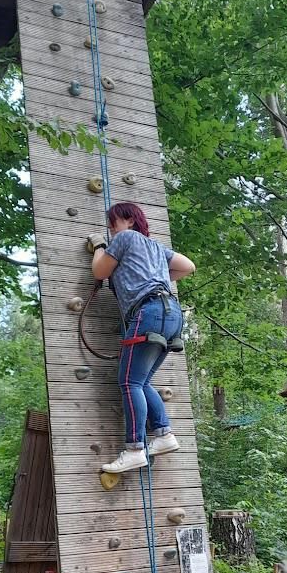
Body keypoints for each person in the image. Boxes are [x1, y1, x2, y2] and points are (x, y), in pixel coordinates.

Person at [86, 202, 195, 474]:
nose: (110, 228)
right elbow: (187, 266)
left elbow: (99, 271)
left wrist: (100, 247)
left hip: (147, 312)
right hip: (171, 314)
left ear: (131, 221)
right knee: (141, 381)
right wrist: (153, 274)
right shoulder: (156, 248)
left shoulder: (125, 238)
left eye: (114, 222)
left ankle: (134, 448)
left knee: (128, 381)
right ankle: (164, 435)